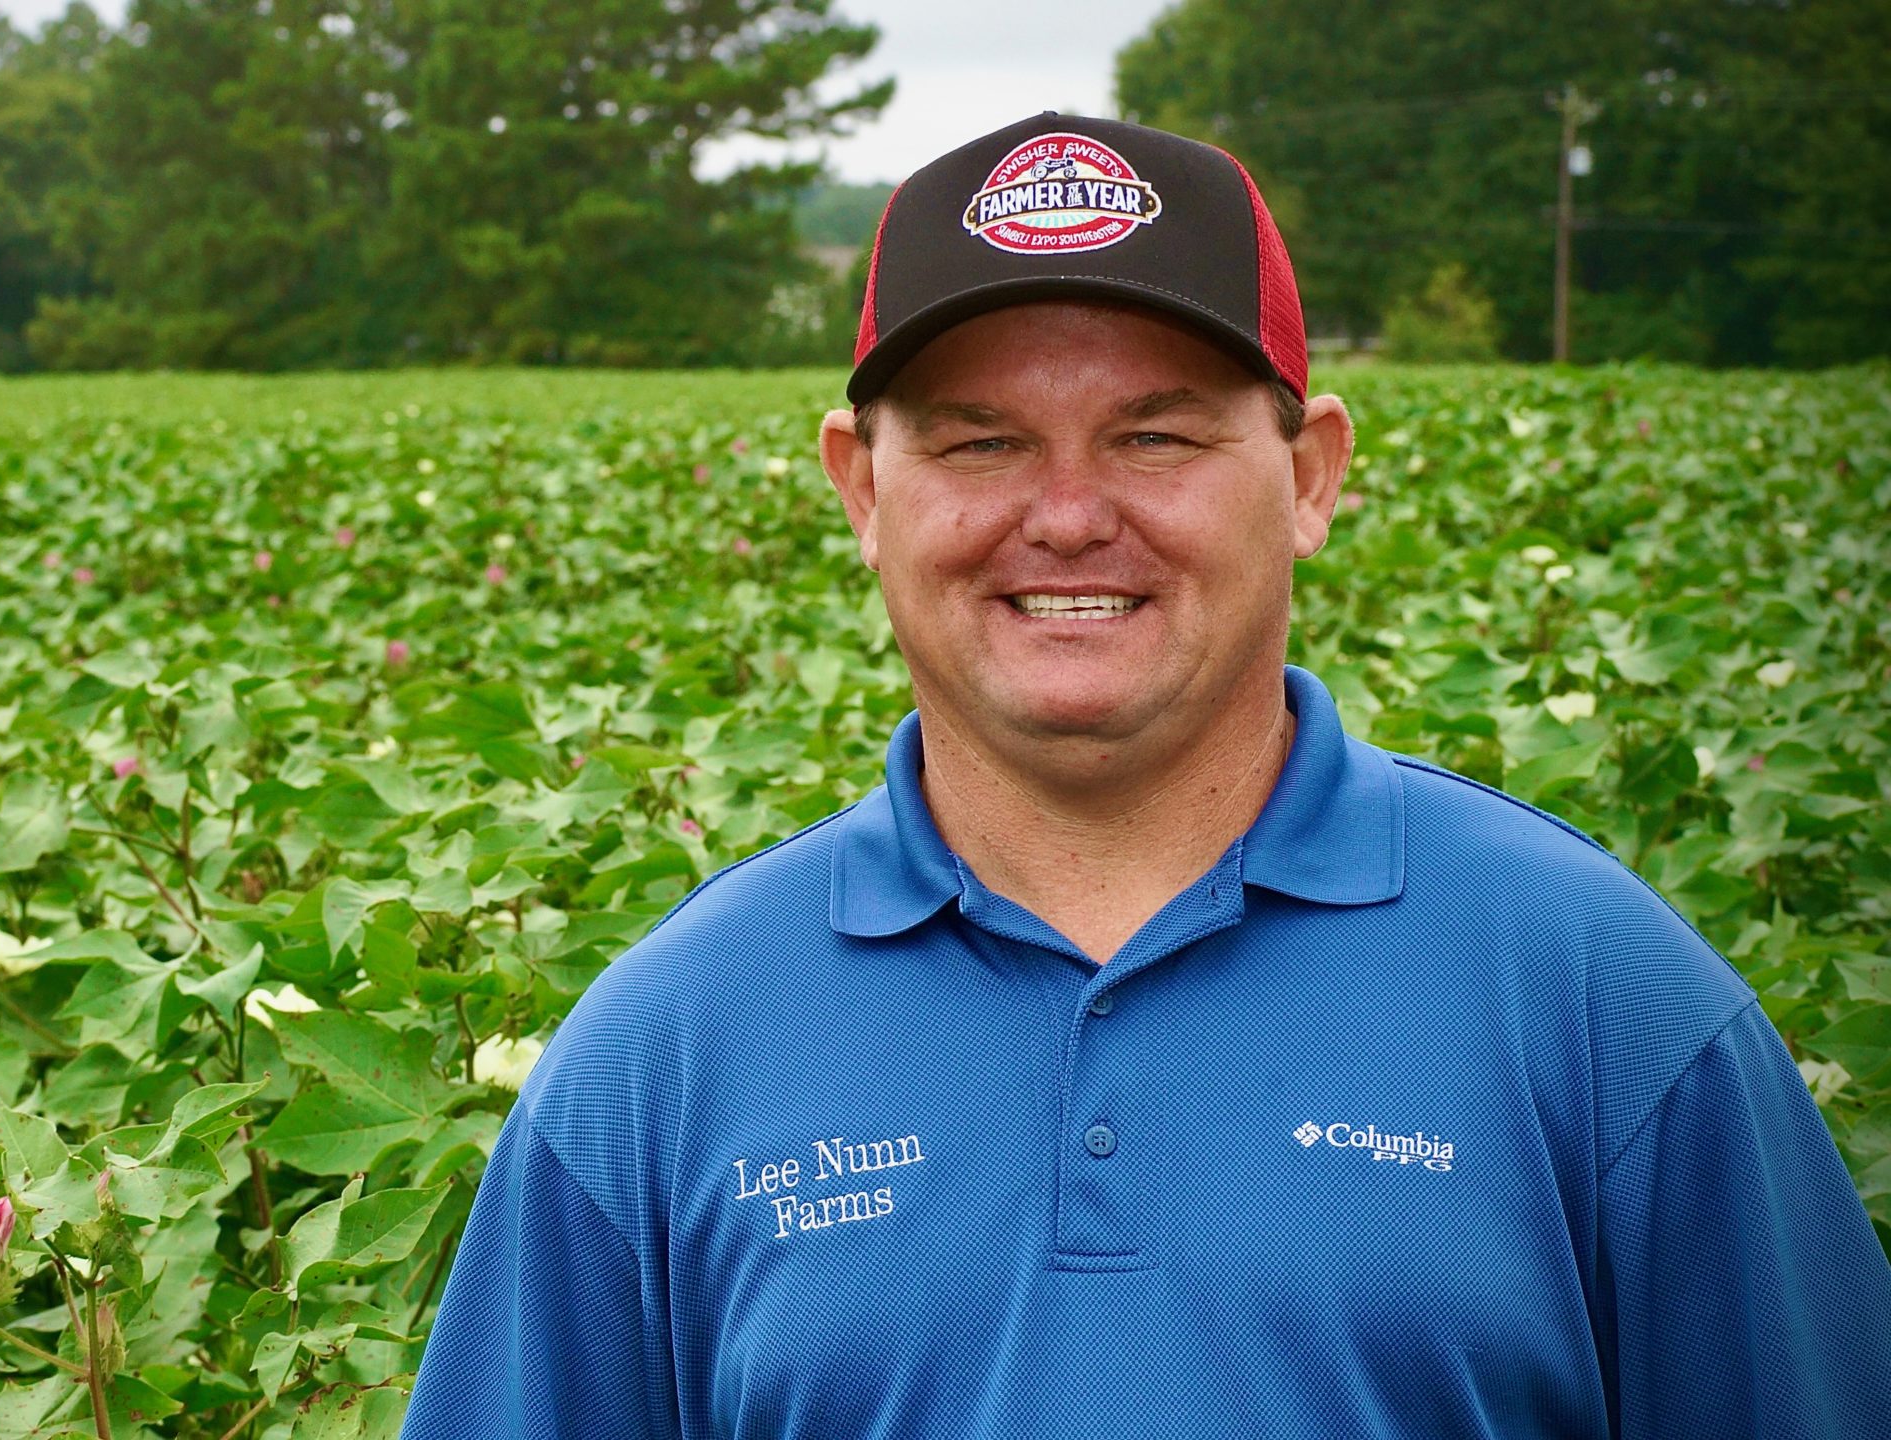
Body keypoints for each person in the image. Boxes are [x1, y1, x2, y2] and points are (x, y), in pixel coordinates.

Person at [397, 113, 1891, 1438]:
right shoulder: (659, 1055)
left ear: (1309, 475)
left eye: (1156, 434)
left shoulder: (1606, 999)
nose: (1065, 516)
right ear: (861, 488)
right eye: (981, 443)